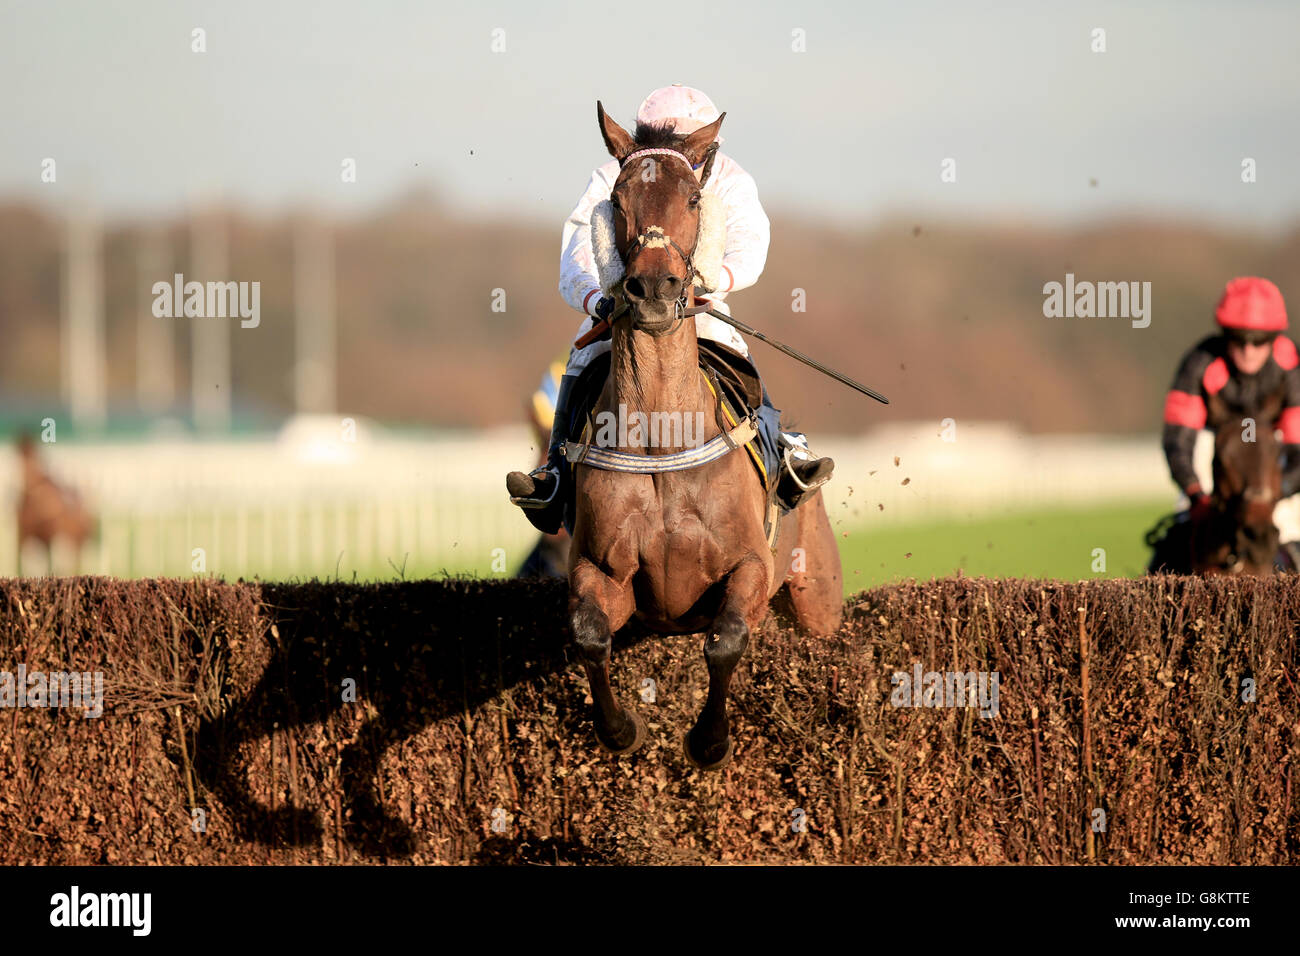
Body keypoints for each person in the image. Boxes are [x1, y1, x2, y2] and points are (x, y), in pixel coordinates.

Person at [506, 85, 833, 534]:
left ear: (705, 145)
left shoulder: (730, 178)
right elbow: (576, 256)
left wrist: (706, 288)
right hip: (624, 307)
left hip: (696, 307)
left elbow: (749, 247)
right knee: (581, 358)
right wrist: (599, 300)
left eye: (688, 145)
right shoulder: (610, 178)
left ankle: (782, 455)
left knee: (734, 351)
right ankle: (556, 472)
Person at [1161, 276, 1300, 521]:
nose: (1249, 351)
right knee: (1182, 530)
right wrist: (1196, 494)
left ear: (1273, 338)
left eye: (1259, 341)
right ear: (1225, 335)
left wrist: (1271, 496)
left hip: (1272, 457)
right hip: (1213, 453)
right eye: (1239, 339)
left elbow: (1298, 448)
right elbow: (1179, 442)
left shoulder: (1291, 363)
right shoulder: (1200, 362)